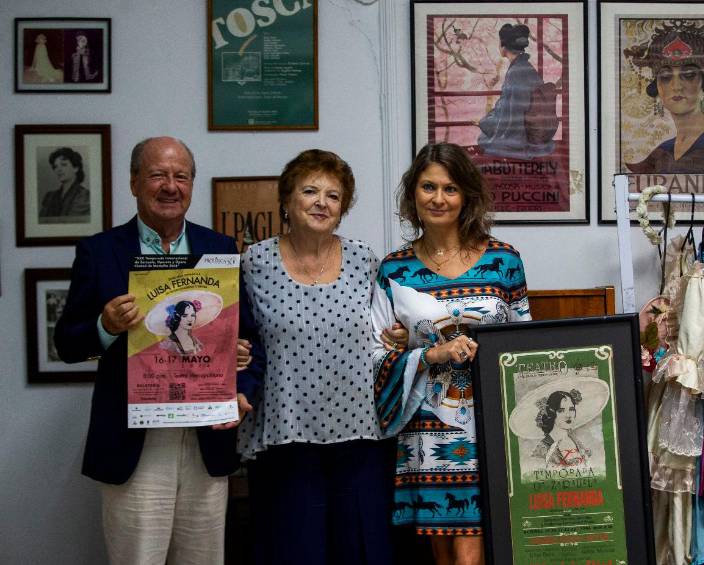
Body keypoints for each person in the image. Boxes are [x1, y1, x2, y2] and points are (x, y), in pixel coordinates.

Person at [54, 136, 258, 565]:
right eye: (157, 175)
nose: (170, 186)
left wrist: (241, 382)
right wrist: (105, 326)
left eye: (180, 176)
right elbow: (66, 343)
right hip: (135, 442)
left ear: (191, 184)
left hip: (206, 441)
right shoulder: (99, 251)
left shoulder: (219, 250)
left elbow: (249, 340)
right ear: (134, 183)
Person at [237, 149, 408, 565]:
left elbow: (384, 331)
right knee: (293, 551)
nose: (321, 202)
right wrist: (234, 351)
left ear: (343, 207)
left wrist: (399, 336)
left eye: (334, 195)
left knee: (362, 551)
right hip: (285, 436)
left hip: (361, 437)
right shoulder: (254, 262)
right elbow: (238, 334)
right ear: (286, 201)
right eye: (310, 191)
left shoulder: (364, 260)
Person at [371, 142, 532, 565]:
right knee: (445, 554)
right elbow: (374, 355)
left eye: (450, 188)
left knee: (473, 552)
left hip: (492, 423)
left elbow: (527, 344)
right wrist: (425, 353)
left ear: (468, 197)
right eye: (428, 187)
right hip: (429, 426)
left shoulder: (504, 260)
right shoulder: (392, 270)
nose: (438, 198)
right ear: (413, 195)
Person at [624, 20, 704, 174]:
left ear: (703, 82)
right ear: (657, 86)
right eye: (666, 76)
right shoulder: (663, 151)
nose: (677, 86)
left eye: (688, 75)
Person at [477, 23, 554, 160]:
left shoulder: (514, 73)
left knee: (483, 139)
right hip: (533, 128)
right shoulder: (526, 67)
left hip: (521, 136)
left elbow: (509, 116)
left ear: (504, 46)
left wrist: (483, 122)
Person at [532, 389, 590, 467]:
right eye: (561, 410)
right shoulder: (543, 448)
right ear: (551, 414)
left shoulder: (574, 439)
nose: (568, 415)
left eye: (571, 409)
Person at [39, 147, 90, 220]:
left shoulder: (84, 195)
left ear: (75, 168)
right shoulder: (49, 196)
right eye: (55, 166)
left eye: (63, 165)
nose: (58, 169)